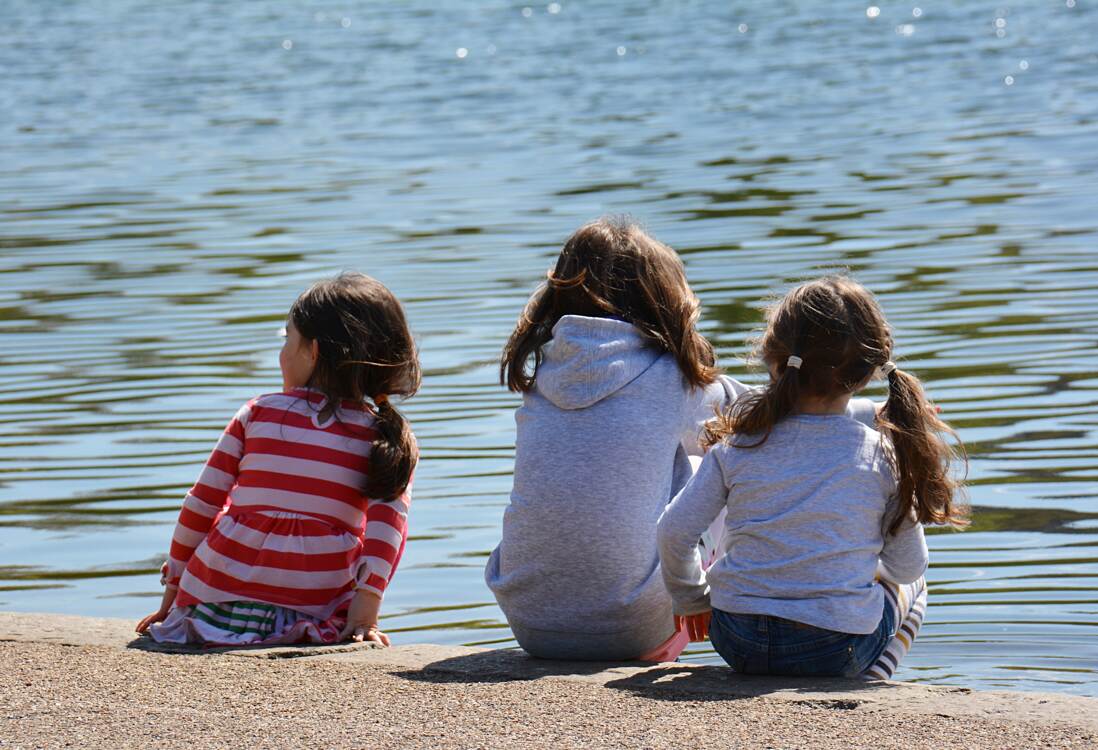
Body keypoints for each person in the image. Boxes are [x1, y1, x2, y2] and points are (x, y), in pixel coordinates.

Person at [657, 275, 966, 679]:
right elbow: (908, 567)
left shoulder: (738, 446)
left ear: (774, 357)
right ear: (870, 371)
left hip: (737, 639)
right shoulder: (882, 455)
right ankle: (871, 680)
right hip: (834, 648)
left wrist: (692, 598)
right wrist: (855, 569)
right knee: (917, 585)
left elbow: (673, 532)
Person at [484, 216, 738, 662]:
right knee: (719, 463)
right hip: (633, 627)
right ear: (663, 298)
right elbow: (771, 416)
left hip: (531, 623)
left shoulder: (544, 375)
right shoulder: (675, 378)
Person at [135, 272, 419, 647]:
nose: (281, 354)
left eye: (287, 340)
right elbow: (386, 531)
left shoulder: (257, 413)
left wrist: (173, 593)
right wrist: (365, 613)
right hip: (313, 606)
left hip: (215, 602)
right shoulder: (384, 436)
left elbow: (200, 504)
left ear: (314, 351)